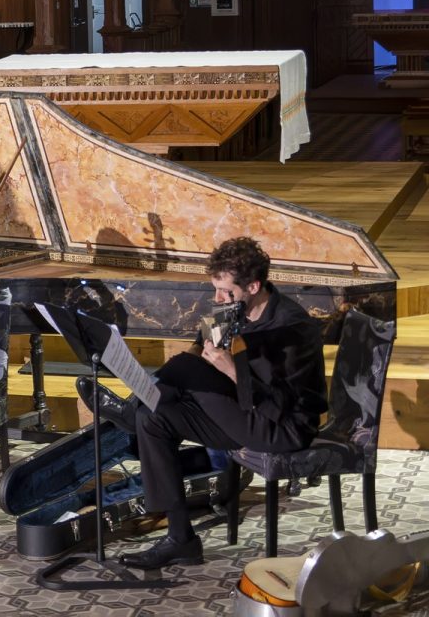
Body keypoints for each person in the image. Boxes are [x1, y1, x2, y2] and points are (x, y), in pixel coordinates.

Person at [76, 236, 326, 570]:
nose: (217, 298)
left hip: (282, 427)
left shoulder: (293, 327)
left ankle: (131, 408)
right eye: (215, 290)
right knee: (154, 419)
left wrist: (230, 369)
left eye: (224, 291)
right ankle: (181, 540)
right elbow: (202, 341)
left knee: (184, 373)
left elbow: (281, 403)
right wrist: (202, 354)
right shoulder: (233, 309)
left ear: (253, 286)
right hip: (243, 413)